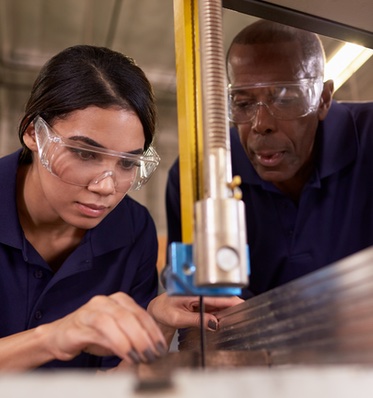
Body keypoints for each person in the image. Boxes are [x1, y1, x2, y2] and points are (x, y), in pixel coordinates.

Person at [0, 44, 242, 371]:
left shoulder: (133, 230)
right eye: (85, 154)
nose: (106, 186)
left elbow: (115, 381)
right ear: (33, 132)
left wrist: (158, 321)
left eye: (128, 163)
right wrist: (54, 337)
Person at [166, 19, 373, 298]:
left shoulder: (368, 138)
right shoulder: (201, 173)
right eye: (243, 103)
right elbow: (196, 307)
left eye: (285, 99)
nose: (260, 123)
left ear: (323, 99)